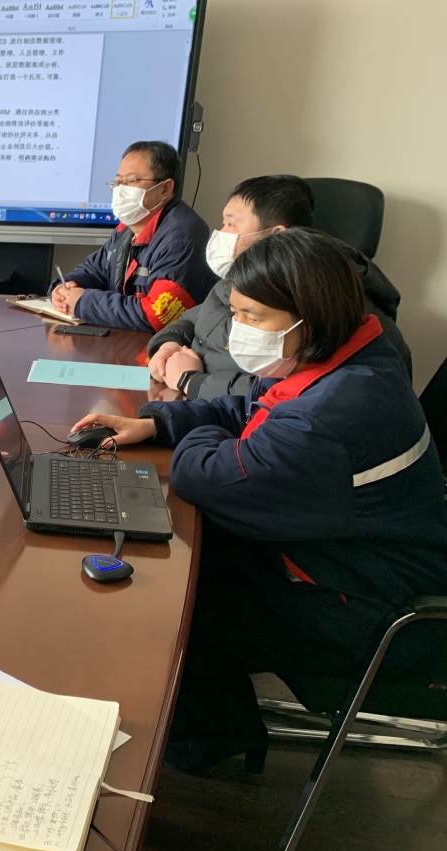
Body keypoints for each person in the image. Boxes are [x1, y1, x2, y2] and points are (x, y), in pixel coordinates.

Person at [71, 229, 447, 774]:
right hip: (342, 557)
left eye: (253, 317)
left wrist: (203, 438)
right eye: (236, 313)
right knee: (180, 561)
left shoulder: (329, 416)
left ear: (308, 319)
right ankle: (218, 729)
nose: (238, 330)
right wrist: (156, 422)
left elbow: (202, 475)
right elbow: (246, 410)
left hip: (373, 609)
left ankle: (207, 743)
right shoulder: (347, 355)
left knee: (168, 603)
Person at [147, 174, 411, 398]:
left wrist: (192, 382)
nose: (221, 233)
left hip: (227, 414)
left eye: (231, 224)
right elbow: (199, 315)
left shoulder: (322, 305)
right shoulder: (247, 276)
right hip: (188, 395)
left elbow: (287, 392)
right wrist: (169, 343)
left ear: (276, 235)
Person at [51, 141, 215, 331]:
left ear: (165, 189)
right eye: (118, 182)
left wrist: (84, 302)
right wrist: (63, 289)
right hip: (126, 339)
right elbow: (94, 270)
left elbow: (157, 315)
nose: (121, 189)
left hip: (168, 345)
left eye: (131, 181)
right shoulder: (128, 228)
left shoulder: (182, 236)